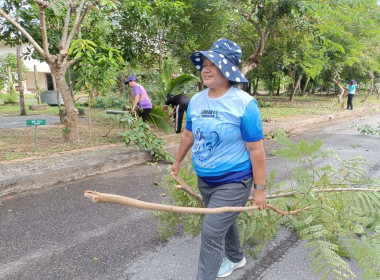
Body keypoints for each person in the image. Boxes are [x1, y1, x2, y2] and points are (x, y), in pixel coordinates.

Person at [170, 38, 267, 280]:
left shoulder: (244, 104)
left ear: (229, 70)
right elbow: (189, 134)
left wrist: (260, 189)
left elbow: (256, 150)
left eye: (214, 64)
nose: (206, 68)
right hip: (206, 180)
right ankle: (236, 257)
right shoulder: (196, 100)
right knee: (225, 218)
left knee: (212, 232)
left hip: (235, 181)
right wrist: (178, 161)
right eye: (204, 63)